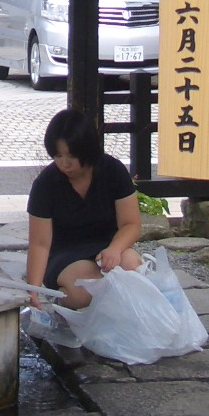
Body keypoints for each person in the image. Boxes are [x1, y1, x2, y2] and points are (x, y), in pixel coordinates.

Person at [25, 108, 142, 310]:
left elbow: (131, 224)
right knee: (85, 289)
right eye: (58, 156)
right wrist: (33, 290)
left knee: (133, 269)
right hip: (65, 253)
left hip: (107, 245)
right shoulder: (46, 184)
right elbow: (40, 244)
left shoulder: (112, 170)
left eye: (71, 156)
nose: (64, 164)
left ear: (86, 150)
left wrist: (115, 248)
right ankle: (66, 303)